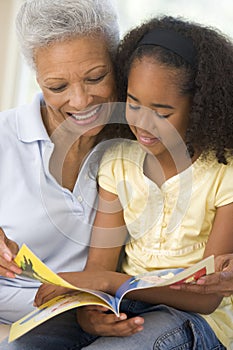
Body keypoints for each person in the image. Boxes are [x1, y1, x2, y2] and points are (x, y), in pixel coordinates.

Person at [35, 15, 233, 349]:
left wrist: (109, 282)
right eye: (133, 103)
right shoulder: (118, 163)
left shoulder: (223, 173)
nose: (142, 122)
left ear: (200, 109)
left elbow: (206, 297)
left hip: (192, 320)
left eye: (162, 112)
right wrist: (90, 310)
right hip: (123, 303)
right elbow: (99, 264)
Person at [0, 0, 139, 349]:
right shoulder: (5, 139)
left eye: (95, 78)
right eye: (57, 87)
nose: (80, 101)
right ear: (37, 78)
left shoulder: (138, 141)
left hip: (85, 316)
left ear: (118, 66)